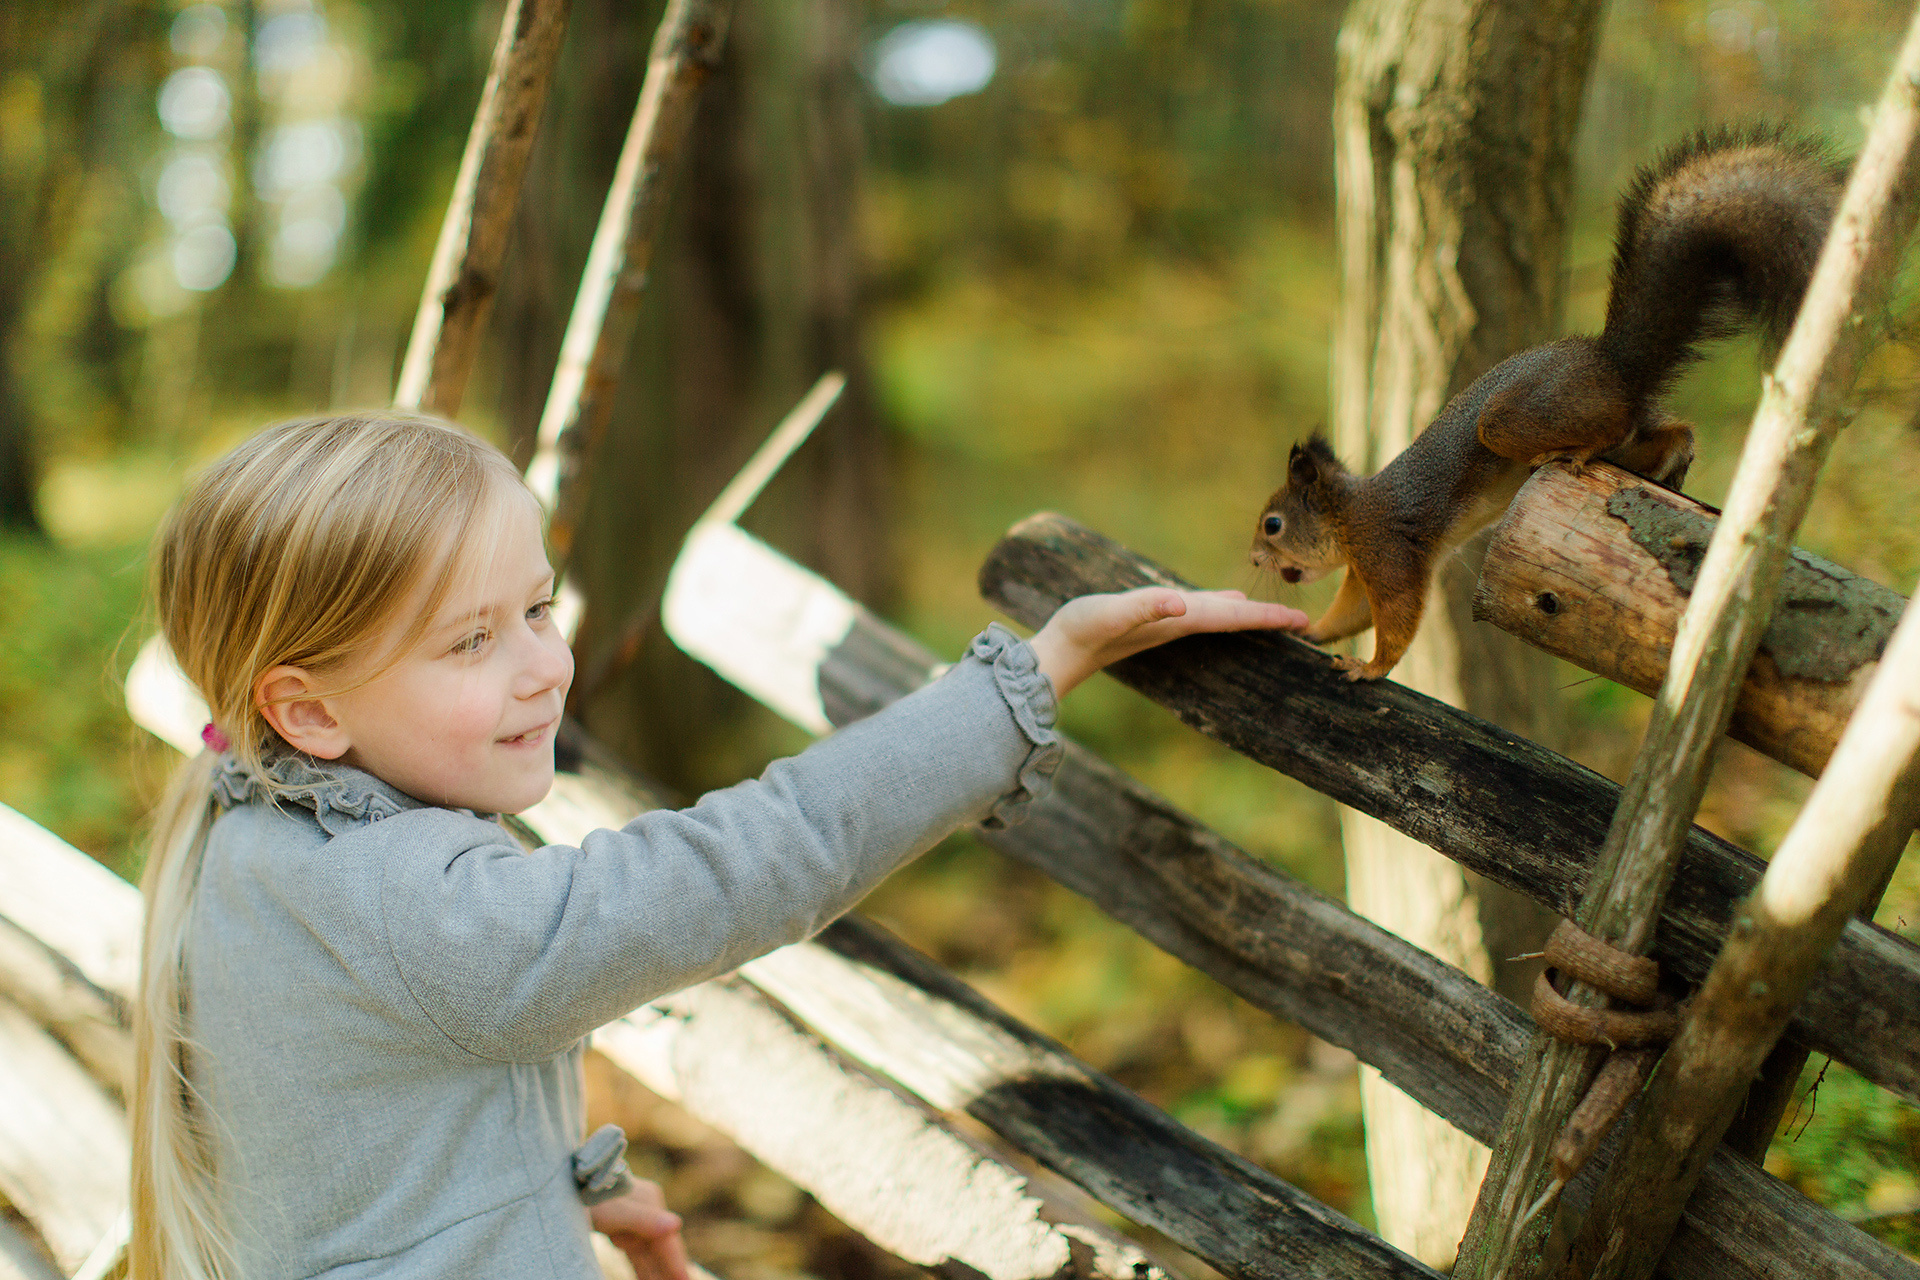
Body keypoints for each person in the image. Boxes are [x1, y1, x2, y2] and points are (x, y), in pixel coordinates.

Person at [132, 412, 1307, 1280]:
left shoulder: (267, 835)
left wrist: (570, 1196)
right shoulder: (401, 896)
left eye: (537, 607)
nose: (545, 663)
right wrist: (1023, 680)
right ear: (310, 710)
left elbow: (360, 1140)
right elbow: (742, 865)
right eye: (471, 639)